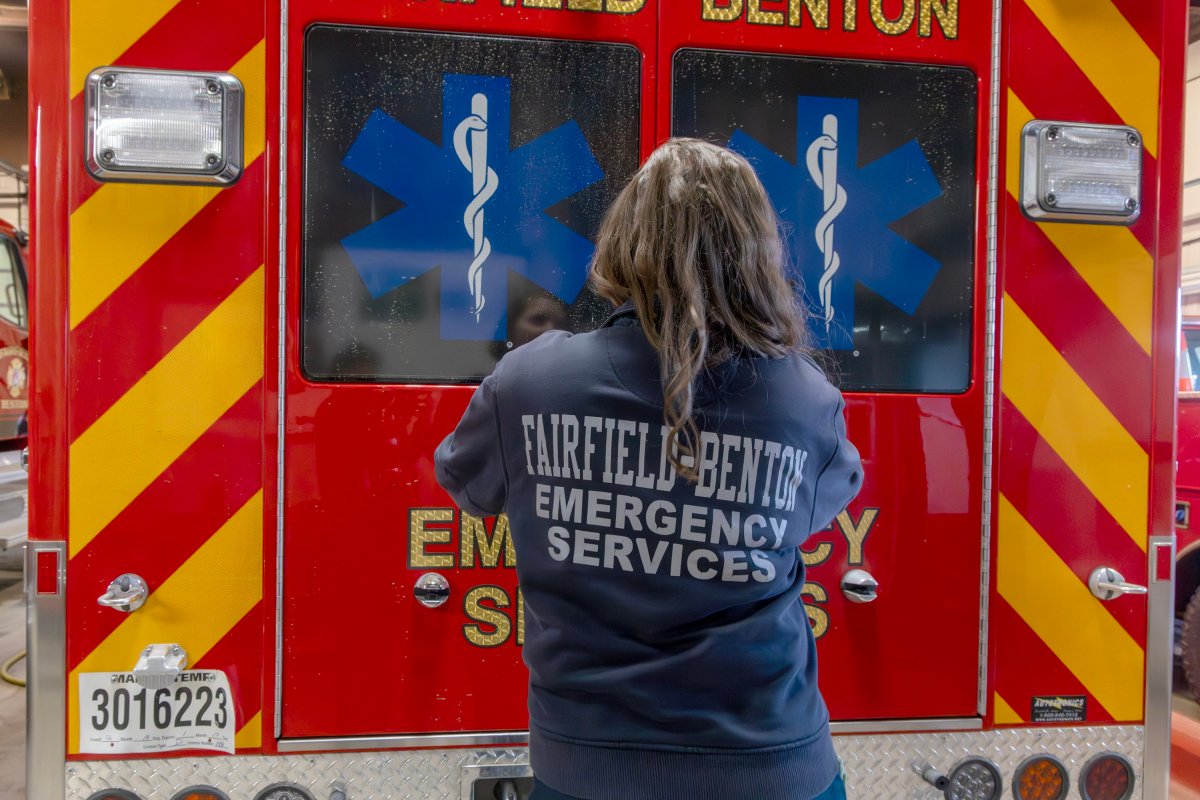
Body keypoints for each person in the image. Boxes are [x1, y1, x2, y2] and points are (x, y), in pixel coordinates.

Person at [435, 138, 863, 800]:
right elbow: (813, 512)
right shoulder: (806, 400)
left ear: (620, 244)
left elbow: (467, 485)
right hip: (775, 770)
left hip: (586, 772)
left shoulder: (526, 381)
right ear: (758, 252)